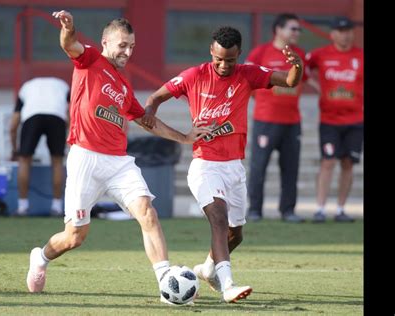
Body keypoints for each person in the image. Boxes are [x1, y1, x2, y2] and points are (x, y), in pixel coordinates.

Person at [26, 10, 212, 305]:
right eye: (122, 45)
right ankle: (41, 257)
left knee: (147, 212)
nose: (128, 51)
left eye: (132, 46)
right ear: (105, 42)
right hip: (85, 156)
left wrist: (185, 137)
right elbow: (69, 44)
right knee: (75, 237)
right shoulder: (89, 59)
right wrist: (69, 28)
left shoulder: (124, 87)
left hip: (118, 162)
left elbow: (146, 120)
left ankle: (166, 280)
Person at [142, 26, 303, 303]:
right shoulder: (194, 75)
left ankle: (207, 269)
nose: (223, 65)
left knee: (235, 234)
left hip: (234, 167)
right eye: (218, 59)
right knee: (218, 217)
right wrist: (150, 113)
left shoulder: (249, 74)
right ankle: (228, 285)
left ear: (239, 54)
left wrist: (297, 67)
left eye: (230, 60)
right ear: (211, 52)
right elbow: (155, 97)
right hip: (204, 165)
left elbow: (289, 81)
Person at [245, 13, 306, 223]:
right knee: (258, 167)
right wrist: (264, 102)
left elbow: (303, 81)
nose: (297, 32)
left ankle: (288, 210)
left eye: (298, 29)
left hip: (292, 122)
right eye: (293, 28)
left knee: (291, 168)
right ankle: (254, 210)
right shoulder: (260, 52)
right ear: (278, 30)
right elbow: (246, 81)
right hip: (266, 120)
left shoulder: (299, 54)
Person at [306, 17, 363, 223]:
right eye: (340, 30)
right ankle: (320, 209)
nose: (345, 34)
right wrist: (315, 84)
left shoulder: (360, 55)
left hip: (356, 120)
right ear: (333, 34)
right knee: (328, 161)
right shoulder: (321, 54)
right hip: (329, 120)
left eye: (348, 30)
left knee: (348, 163)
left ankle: (340, 209)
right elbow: (302, 67)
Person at [9, 76, 70, 216]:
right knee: (57, 161)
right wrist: (69, 141)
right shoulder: (62, 85)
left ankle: (22, 207)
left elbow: (13, 125)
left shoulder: (26, 87)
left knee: (24, 161)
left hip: (32, 116)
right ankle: (57, 207)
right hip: (57, 117)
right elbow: (71, 114)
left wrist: (15, 150)